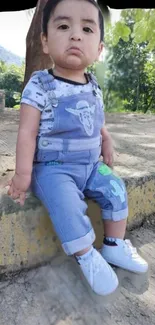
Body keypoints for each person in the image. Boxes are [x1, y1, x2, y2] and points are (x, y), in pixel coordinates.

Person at [7, 0, 148, 296]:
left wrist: (106, 139)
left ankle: (114, 245)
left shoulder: (92, 84)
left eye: (86, 28)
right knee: (68, 206)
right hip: (54, 169)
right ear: (44, 41)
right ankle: (86, 255)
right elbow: (26, 131)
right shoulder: (41, 84)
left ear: (98, 48)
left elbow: (97, 120)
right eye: (63, 26)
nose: (75, 35)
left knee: (116, 189)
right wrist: (22, 173)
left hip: (91, 166)